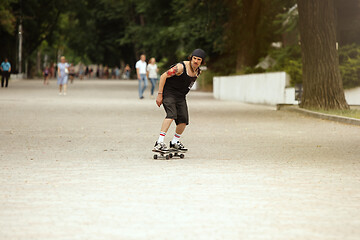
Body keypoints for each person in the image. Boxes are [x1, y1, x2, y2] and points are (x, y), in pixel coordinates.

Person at [153, 49, 206, 152]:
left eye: (198, 59)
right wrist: (160, 94)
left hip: (180, 96)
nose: (195, 61)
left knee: (183, 120)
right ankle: (159, 142)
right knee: (172, 114)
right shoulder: (180, 67)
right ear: (191, 58)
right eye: (194, 58)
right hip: (169, 92)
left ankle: (175, 142)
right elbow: (164, 76)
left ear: (202, 62)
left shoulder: (198, 71)